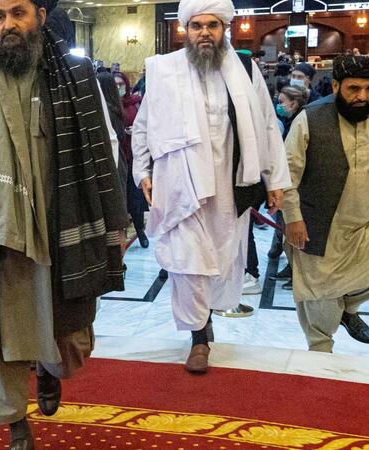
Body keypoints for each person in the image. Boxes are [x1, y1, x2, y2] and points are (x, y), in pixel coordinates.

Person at [0, 0, 126, 447]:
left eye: (18, 13)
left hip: (64, 223)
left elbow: (102, 151)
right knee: (0, 334)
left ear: (40, 16)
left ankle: (48, 367)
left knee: (70, 334)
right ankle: (14, 421)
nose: (8, 24)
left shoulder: (77, 76)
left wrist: (115, 223)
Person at [132, 0, 290, 374]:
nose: (204, 32)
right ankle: (198, 337)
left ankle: (207, 317)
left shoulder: (246, 70)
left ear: (224, 30)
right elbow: (144, 125)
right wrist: (143, 171)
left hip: (232, 183)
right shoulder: (163, 70)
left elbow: (268, 125)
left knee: (221, 261)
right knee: (187, 261)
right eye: (197, 25)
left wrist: (275, 179)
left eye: (212, 25)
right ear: (185, 30)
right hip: (180, 182)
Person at [283, 55, 369, 353]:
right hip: (321, 224)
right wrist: (293, 218)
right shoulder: (310, 118)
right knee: (320, 301)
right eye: (354, 89)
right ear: (336, 86)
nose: (362, 96)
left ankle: (348, 309)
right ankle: (320, 353)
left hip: (368, 223)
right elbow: (286, 174)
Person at [268, 85, 309, 288]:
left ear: (293, 103)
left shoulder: (301, 122)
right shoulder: (288, 121)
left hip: (296, 187)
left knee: (294, 234)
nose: (279, 105)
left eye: (282, 102)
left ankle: (297, 273)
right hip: (285, 182)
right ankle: (291, 267)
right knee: (286, 233)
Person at [114, 71, 148, 248]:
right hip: (119, 159)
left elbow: (145, 125)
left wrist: (136, 131)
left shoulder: (135, 103)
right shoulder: (110, 105)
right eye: (115, 85)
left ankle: (140, 231)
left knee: (135, 198)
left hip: (134, 157)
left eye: (121, 84)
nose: (118, 88)